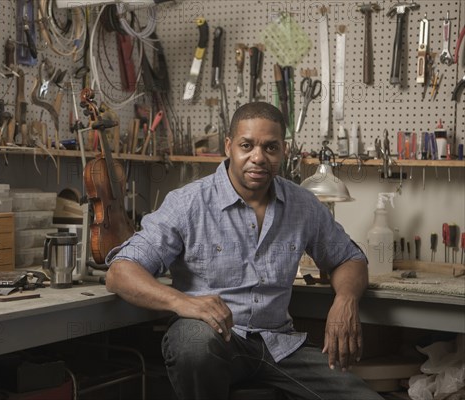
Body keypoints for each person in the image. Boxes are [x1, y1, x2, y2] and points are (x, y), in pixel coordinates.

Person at [105, 102, 383, 400]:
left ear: (284, 150)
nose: (258, 158)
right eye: (247, 145)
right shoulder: (188, 203)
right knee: (194, 345)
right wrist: (182, 302)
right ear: (229, 146)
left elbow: (348, 258)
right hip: (213, 339)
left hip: (280, 344)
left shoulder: (303, 205)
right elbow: (120, 272)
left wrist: (346, 299)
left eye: (270, 148)